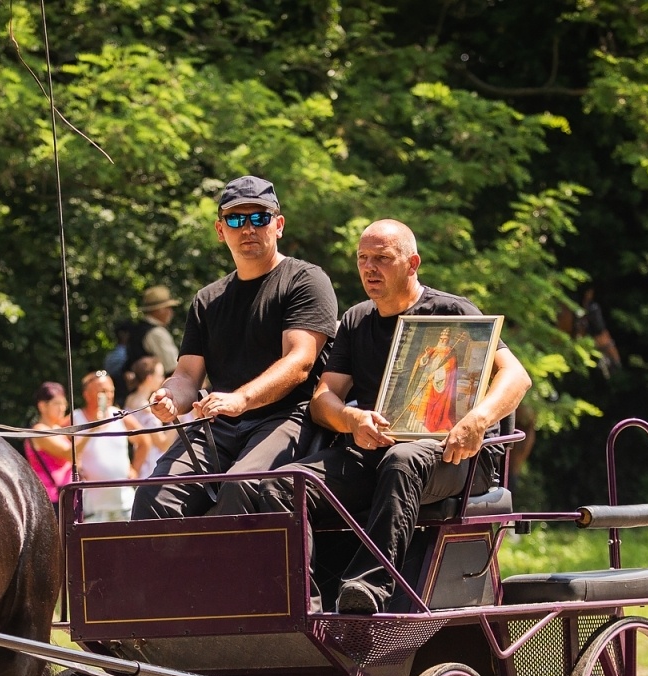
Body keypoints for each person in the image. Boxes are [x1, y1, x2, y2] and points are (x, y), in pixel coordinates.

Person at [225, 219, 532, 614]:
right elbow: (324, 399)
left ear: (412, 263)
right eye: (363, 259)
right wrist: (352, 421)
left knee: (402, 461)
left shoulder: (451, 311)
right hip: (374, 449)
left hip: (453, 457)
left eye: (383, 259)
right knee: (284, 485)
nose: (370, 268)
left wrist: (477, 418)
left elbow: (516, 376)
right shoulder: (356, 320)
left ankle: (368, 588)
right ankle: (304, 605)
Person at [131, 175, 338, 520]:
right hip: (221, 424)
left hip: (288, 416)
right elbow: (186, 375)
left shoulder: (305, 280)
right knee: (154, 496)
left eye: (259, 217)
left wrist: (241, 399)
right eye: (236, 219)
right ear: (220, 229)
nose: (248, 228)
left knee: (241, 487)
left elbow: (300, 360)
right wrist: (169, 398)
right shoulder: (208, 299)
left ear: (279, 225)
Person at [73, 370, 141, 522]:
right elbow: (63, 452)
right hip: (93, 507)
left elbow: (144, 441)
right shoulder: (75, 418)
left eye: (111, 391)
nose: (109, 395)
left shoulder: (119, 415)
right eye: (103, 391)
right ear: (87, 394)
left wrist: (135, 468)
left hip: (124, 502)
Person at [122, 356, 178, 478]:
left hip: (135, 461)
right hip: (149, 468)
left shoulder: (130, 400)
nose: (162, 379)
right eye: (160, 375)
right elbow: (163, 444)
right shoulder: (146, 409)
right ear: (149, 378)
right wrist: (177, 417)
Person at [24, 381, 74, 505]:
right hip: (50, 499)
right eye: (57, 404)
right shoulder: (39, 431)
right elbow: (69, 454)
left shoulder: (58, 428)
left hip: (67, 496)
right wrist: (92, 430)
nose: (62, 408)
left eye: (64, 404)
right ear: (42, 406)